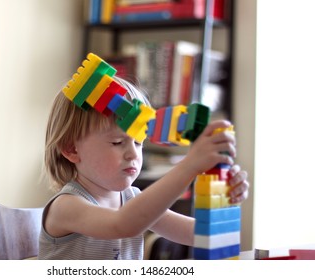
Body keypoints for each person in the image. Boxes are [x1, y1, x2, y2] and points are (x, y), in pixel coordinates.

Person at [38, 76, 249, 260]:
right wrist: (189, 167)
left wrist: (224, 199)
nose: (133, 154)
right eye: (117, 143)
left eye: (139, 143)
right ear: (71, 149)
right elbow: (122, 224)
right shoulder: (66, 207)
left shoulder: (132, 200)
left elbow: (203, 235)